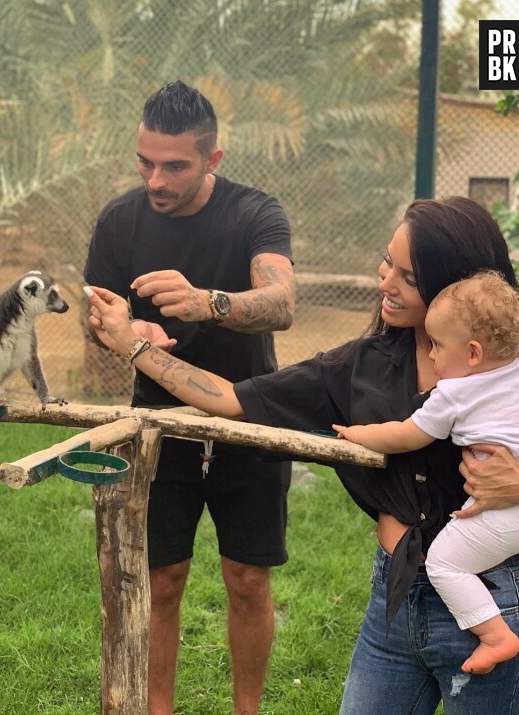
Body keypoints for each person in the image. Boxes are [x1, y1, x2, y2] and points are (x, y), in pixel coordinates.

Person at [85, 195, 519, 713]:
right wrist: (133, 347)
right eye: (387, 262)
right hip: (395, 603)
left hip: (495, 601)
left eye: (407, 277)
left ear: (456, 284)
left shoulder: (514, 369)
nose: (385, 281)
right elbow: (233, 399)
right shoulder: (361, 367)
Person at [83, 80, 295, 715]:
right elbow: (97, 322)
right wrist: (127, 333)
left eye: (174, 165)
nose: (155, 179)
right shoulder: (120, 220)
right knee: (161, 580)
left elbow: (282, 304)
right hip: (157, 426)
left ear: (213, 160)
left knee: (248, 579)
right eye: (145, 162)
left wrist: (209, 302)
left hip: (250, 417)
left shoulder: (255, 212)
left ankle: (246, 710)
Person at [333, 269, 519, 676]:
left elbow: (406, 435)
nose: (432, 354)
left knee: (445, 562)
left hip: (503, 516)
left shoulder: (454, 394)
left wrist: (359, 433)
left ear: (473, 353)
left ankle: (495, 635)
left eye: (437, 345)